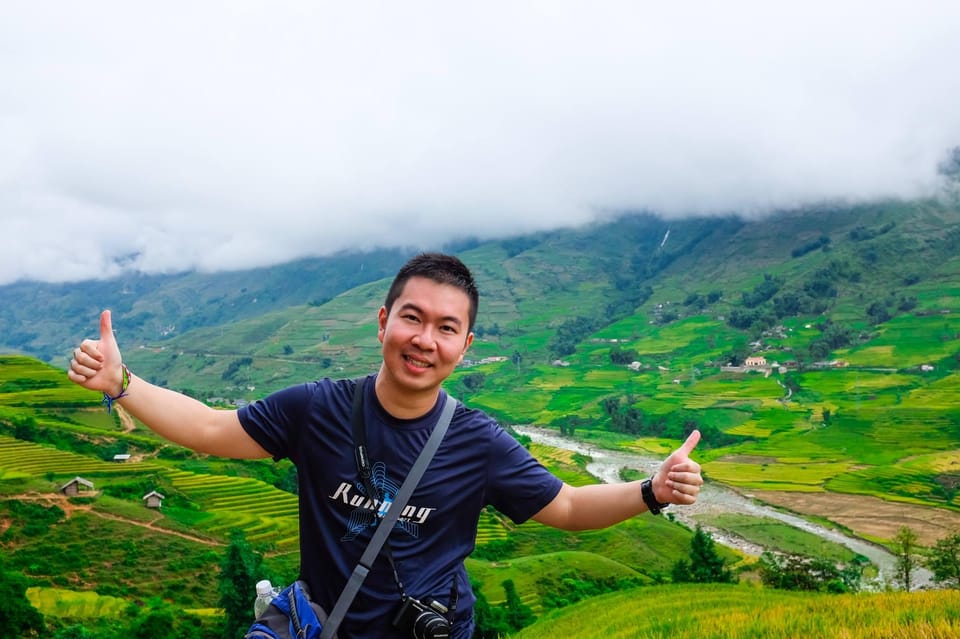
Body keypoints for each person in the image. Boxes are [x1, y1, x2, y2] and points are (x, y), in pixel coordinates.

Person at [68, 252, 703, 639]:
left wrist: (652, 491)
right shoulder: (317, 408)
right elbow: (210, 429)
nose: (425, 339)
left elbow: (565, 508)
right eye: (413, 318)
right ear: (383, 321)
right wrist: (123, 384)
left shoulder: (475, 442)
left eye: (446, 328)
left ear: (464, 346)